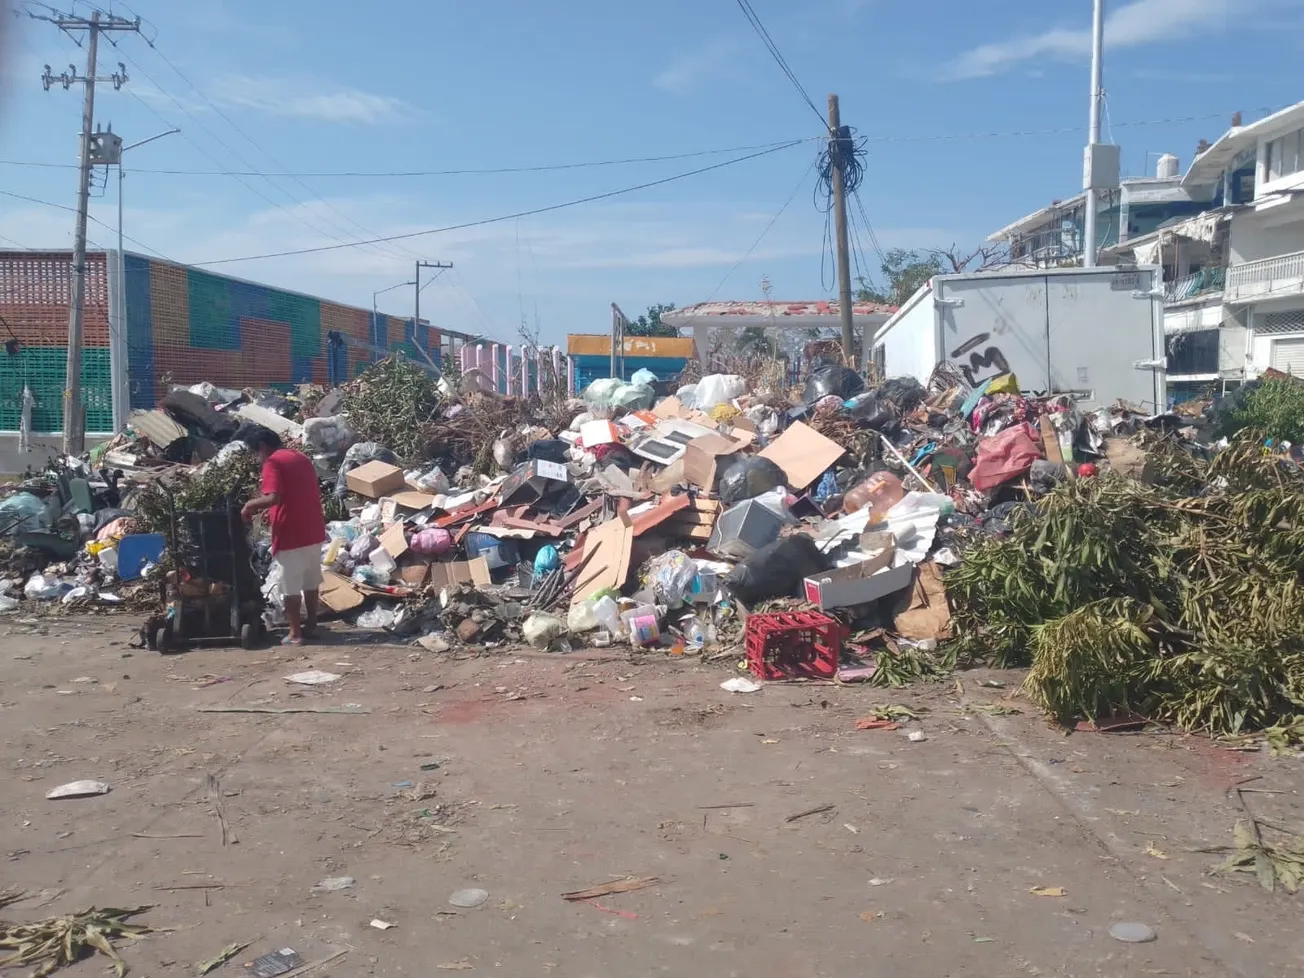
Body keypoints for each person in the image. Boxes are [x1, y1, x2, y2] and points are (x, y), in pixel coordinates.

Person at [238, 424, 327, 646]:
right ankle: (313, 626)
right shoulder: (300, 457)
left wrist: (249, 506)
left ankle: (295, 633)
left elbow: (273, 497)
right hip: (313, 528)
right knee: (310, 582)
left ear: (262, 446)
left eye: (255, 452)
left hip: (291, 532)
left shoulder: (273, 462)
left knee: (290, 586)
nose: (256, 458)